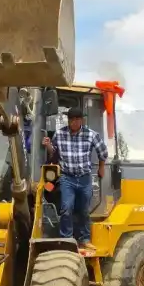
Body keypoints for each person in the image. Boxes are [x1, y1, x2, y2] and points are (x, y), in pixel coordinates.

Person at [43, 107, 108, 251]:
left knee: (84, 210)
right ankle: (66, 240)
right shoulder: (60, 134)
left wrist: (101, 167)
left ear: (81, 120)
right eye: (71, 119)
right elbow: (53, 153)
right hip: (67, 178)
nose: (74, 122)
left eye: (77, 119)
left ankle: (84, 239)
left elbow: (103, 152)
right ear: (68, 120)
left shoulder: (91, 135)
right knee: (66, 208)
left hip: (85, 178)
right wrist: (48, 145)